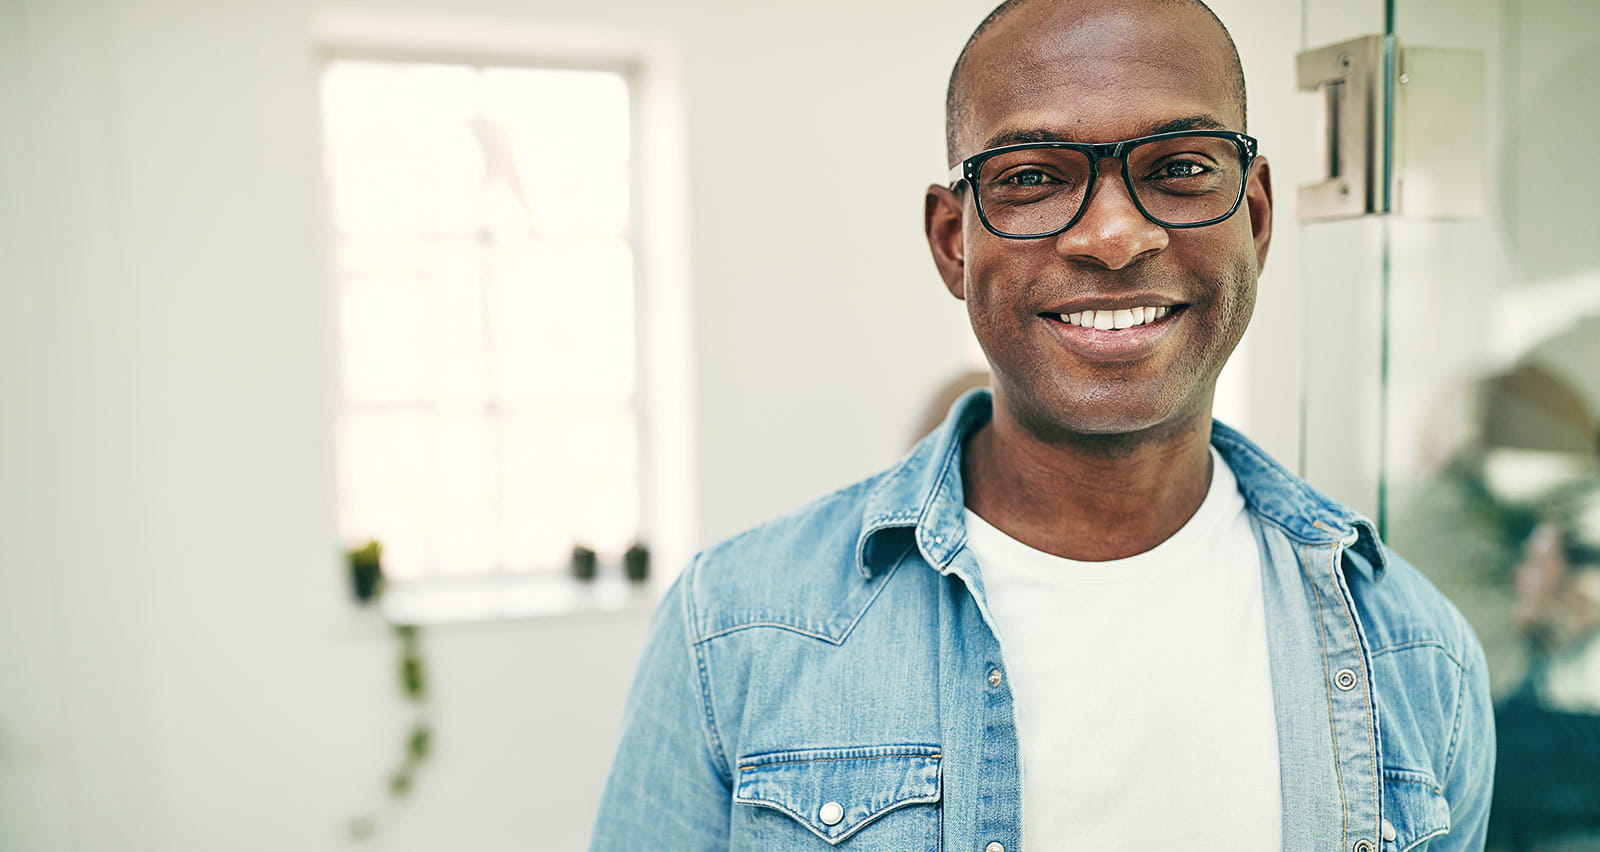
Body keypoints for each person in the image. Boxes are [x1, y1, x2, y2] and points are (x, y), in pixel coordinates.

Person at [590, 0, 1494, 849]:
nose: (1112, 235)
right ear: (952, 240)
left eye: (1178, 168)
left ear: (1255, 218)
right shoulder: (737, 629)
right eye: (1031, 177)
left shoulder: (1417, 657)